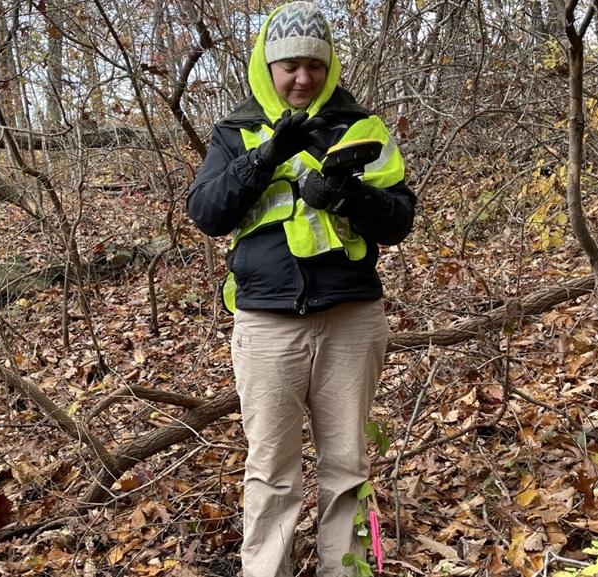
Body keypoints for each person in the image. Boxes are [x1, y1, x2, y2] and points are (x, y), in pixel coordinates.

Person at [185, 2, 417, 576]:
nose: (303, 78)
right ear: (268, 66)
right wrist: (265, 158)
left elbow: (400, 220)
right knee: (270, 468)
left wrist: (347, 195)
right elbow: (207, 212)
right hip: (266, 322)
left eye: (314, 65)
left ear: (330, 65)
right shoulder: (236, 131)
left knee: (347, 463)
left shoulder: (361, 128)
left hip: (351, 316)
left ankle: (350, 569)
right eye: (289, 65)